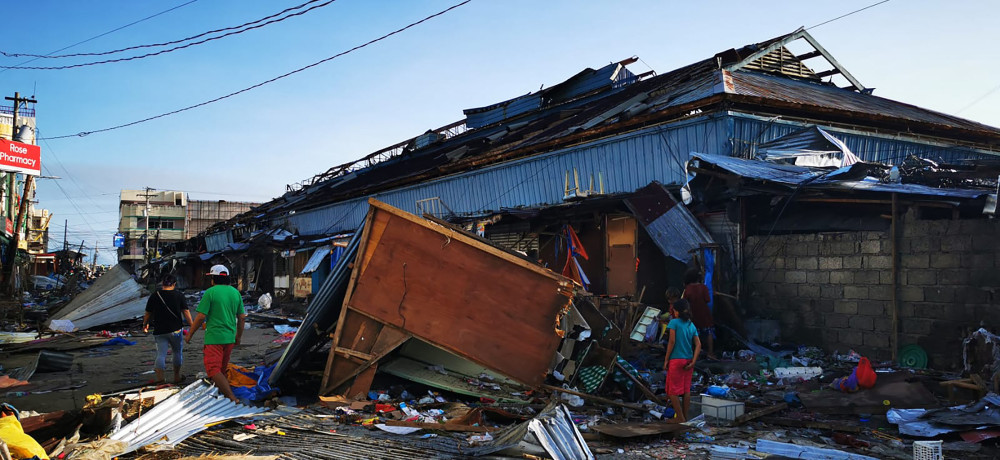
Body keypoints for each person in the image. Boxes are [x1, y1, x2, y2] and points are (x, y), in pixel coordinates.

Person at [185, 265, 245, 402]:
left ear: (213, 278)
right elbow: (241, 318)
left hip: (214, 337)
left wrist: (190, 334)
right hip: (229, 337)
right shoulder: (235, 293)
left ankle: (231, 397)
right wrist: (238, 336)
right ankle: (221, 395)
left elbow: (200, 317)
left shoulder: (210, 292)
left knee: (213, 370)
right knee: (221, 370)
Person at [142, 274, 193, 384]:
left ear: (163, 284)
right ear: (174, 284)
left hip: (160, 330)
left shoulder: (155, 295)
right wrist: (192, 325)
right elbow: (186, 312)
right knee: (177, 352)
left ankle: (160, 379)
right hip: (176, 330)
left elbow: (148, 313)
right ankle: (176, 377)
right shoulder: (179, 295)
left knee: (161, 354)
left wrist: (145, 324)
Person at [663, 299, 701, 422]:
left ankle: (679, 417)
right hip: (688, 360)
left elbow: (672, 341)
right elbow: (698, 344)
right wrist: (693, 361)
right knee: (686, 391)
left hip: (676, 360)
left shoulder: (674, 323)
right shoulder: (691, 324)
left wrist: (666, 359)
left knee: (672, 391)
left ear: (677, 311)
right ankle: (684, 418)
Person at [684, 268, 716, 359]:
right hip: (705, 314)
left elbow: (685, 302)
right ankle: (710, 352)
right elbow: (707, 300)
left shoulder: (688, 289)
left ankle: (694, 353)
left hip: (693, 315)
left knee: (694, 335)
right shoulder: (703, 287)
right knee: (708, 332)